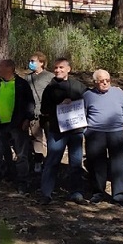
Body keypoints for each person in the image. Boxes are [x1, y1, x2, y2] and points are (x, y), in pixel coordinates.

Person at [83, 70, 123, 209]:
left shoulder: (118, 92)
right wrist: (85, 131)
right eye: (101, 81)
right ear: (95, 82)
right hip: (95, 133)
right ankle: (98, 193)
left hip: (117, 133)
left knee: (117, 165)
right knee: (97, 165)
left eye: (108, 80)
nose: (105, 83)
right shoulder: (88, 95)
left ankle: (119, 196)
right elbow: (82, 114)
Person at [39, 58, 88, 205]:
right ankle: (46, 193)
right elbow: (44, 109)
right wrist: (59, 106)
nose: (58, 70)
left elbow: (89, 102)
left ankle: (76, 192)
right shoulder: (50, 88)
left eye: (61, 67)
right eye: (55, 68)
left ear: (69, 69)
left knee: (76, 162)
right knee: (52, 161)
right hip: (57, 131)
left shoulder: (78, 86)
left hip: (76, 131)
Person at [0, 59, 34, 195]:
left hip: (17, 125)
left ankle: (22, 182)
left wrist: (27, 119)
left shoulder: (21, 84)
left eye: (1, 68)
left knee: (21, 155)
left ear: (9, 69)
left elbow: (30, 103)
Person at [25, 52, 54, 174]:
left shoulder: (50, 77)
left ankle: (51, 162)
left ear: (41, 62)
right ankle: (38, 162)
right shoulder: (27, 78)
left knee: (51, 138)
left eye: (33, 61)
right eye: (30, 61)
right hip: (34, 113)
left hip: (48, 114)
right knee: (37, 138)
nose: (31, 63)